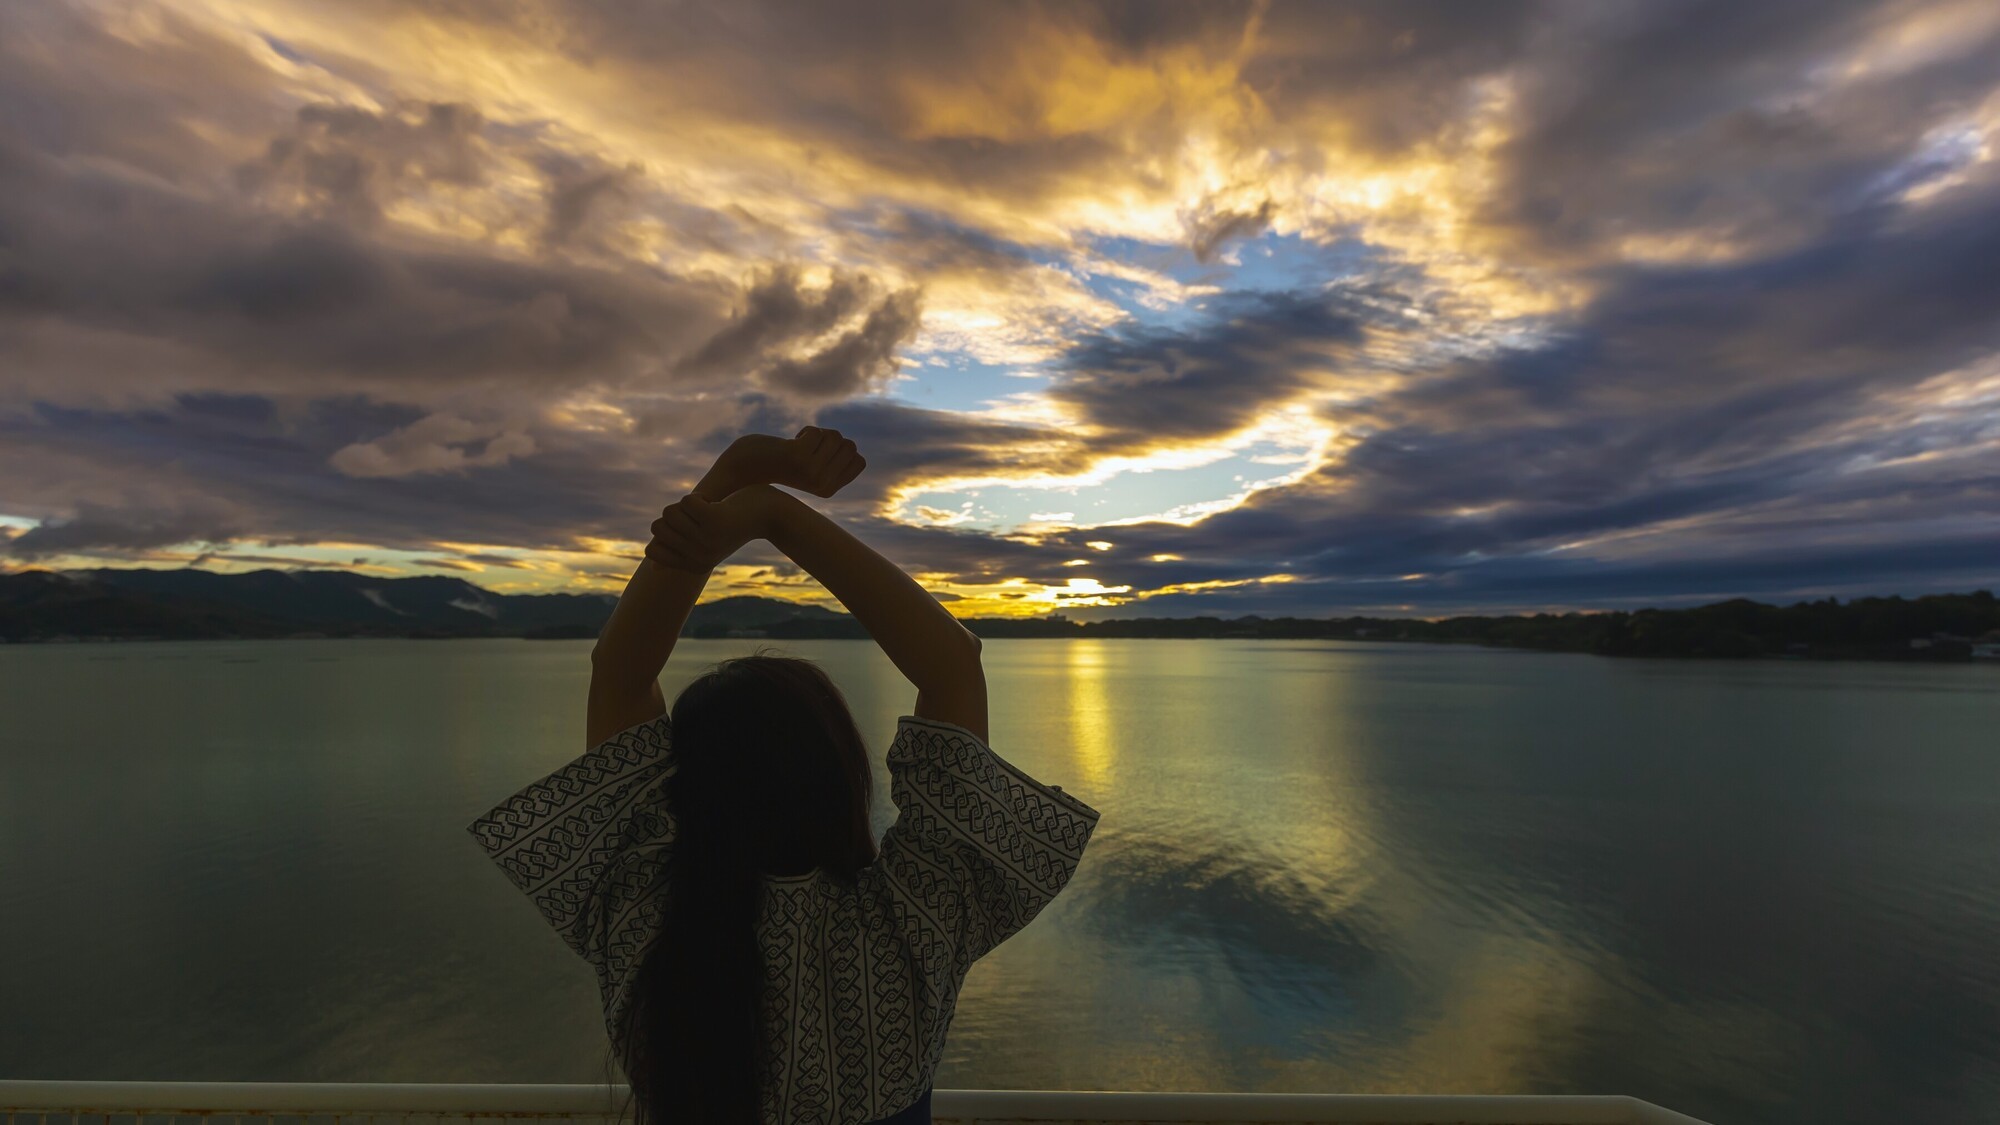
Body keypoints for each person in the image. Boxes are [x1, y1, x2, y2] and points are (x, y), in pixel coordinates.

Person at [465, 427, 1103, 1125]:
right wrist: (768, 511)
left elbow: (620, 672)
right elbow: (953, 661)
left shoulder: (645, 919)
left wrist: (736, 479)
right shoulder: (912, 924)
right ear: (838, 775)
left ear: (681, 787)